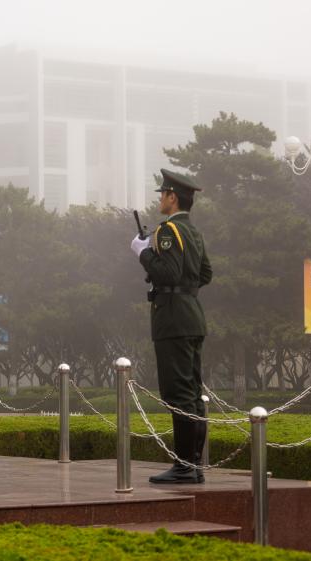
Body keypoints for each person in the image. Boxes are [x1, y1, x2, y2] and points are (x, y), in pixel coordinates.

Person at [130, 169, 213, 484]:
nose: (160, 199)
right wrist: (185, 291)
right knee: (192, 393)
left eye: (162, 194)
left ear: (172, 197)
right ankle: (193, 465)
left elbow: (168, 273)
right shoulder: (193, 231)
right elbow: (205, 274)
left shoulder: (169, 230)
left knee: (178, 393)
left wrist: (144, 253)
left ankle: (183, 467)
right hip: (192, 316)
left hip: (173, 320)